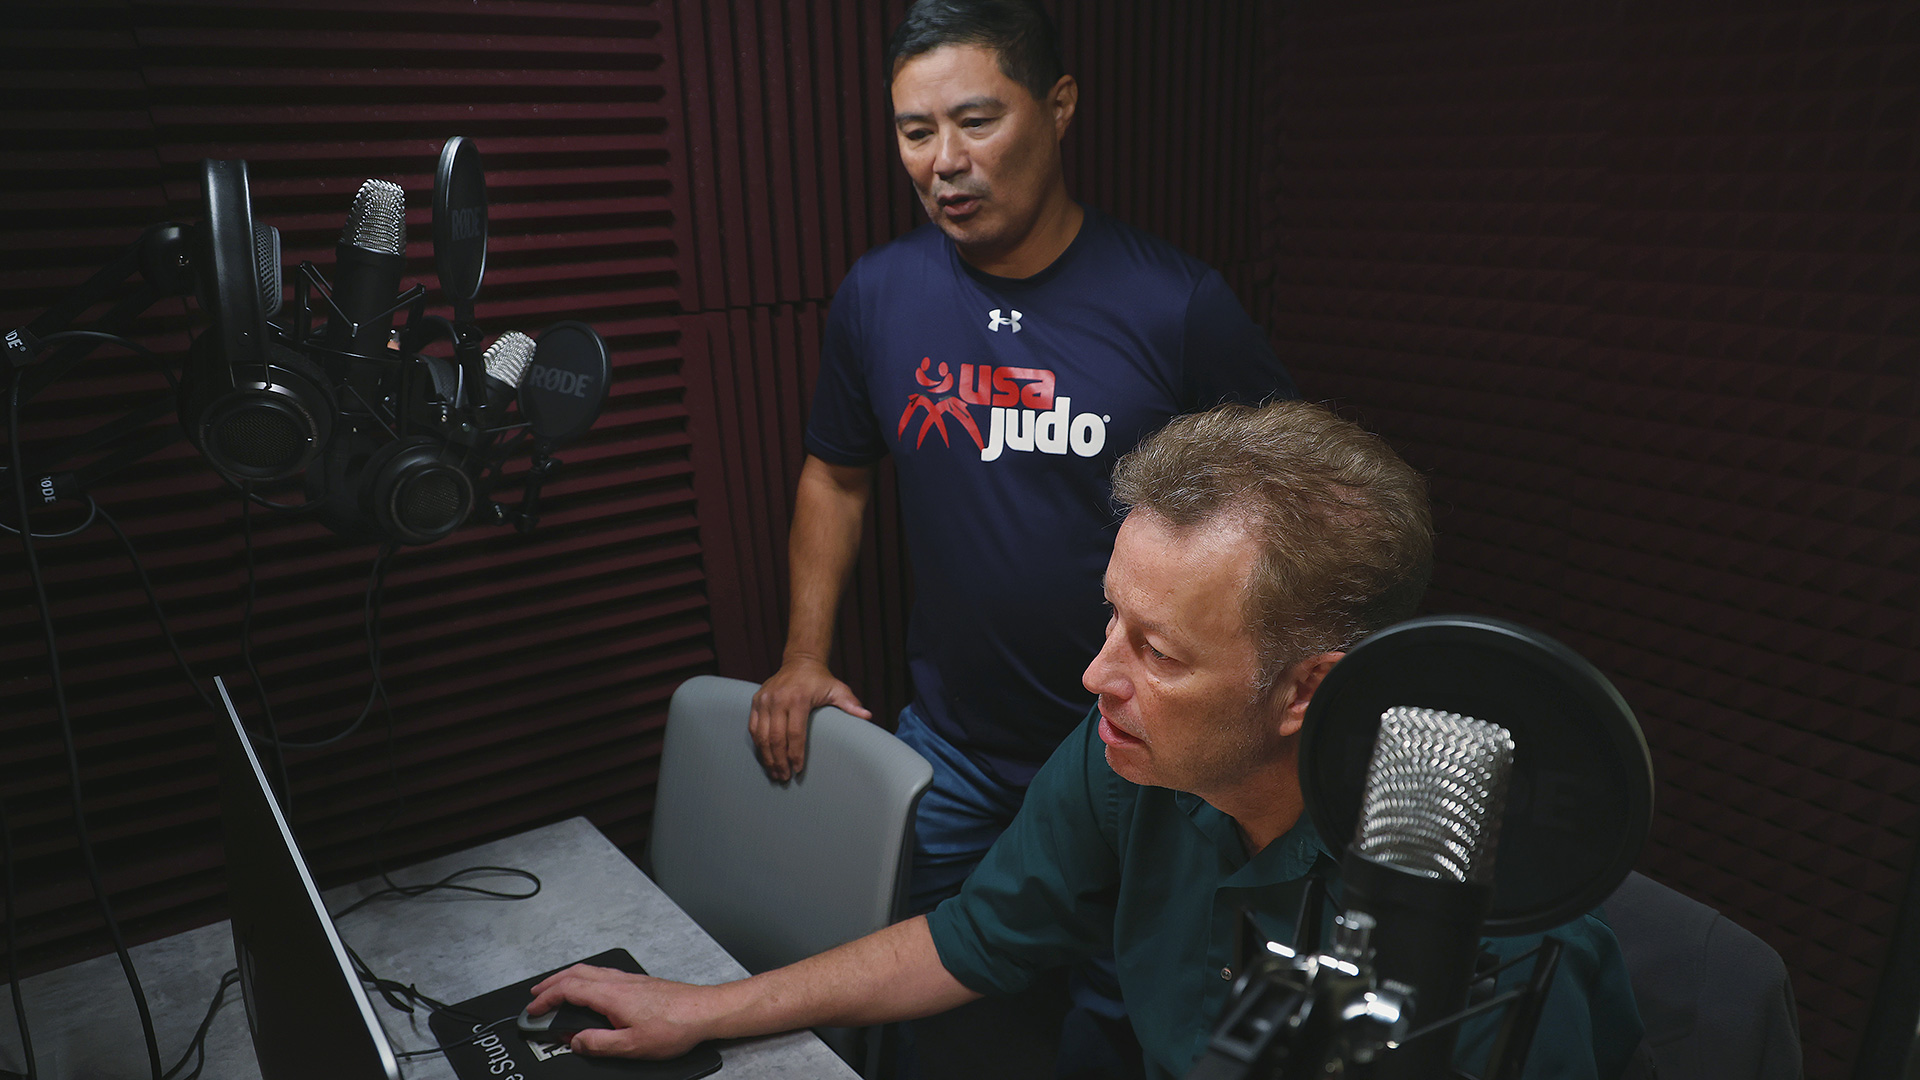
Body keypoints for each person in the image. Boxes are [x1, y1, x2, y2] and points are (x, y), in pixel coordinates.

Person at [531, 401, 1645, 1080]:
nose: (1097, 674)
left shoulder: (1476, 944)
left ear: (1307, 692)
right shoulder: (1129, 756)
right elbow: (971, 938)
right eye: (1110, 616)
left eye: (1158, 652)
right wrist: (706, 1007)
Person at [749, 0, 1293, 933]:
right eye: (915, 132)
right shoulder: (878, 295)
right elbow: (836, 474)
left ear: (1059, 106)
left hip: (1140, 754)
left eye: (977, 120)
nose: (944, 162)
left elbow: (1287, 511)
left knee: (1117, 1021)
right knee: (886, 985)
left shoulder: (1177, 305)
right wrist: (804, 655)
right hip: (953, 746)